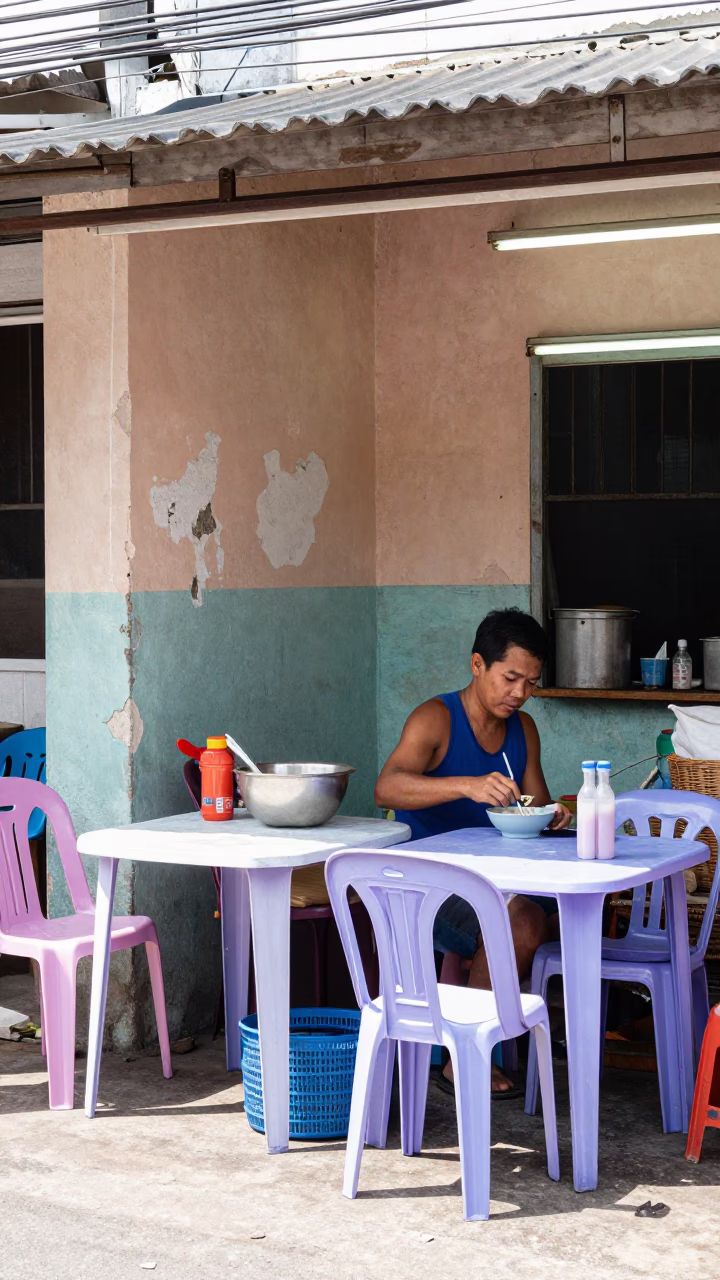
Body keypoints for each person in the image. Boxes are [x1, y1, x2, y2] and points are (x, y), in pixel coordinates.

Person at [375, 607, 571, 1096]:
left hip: (498, 876)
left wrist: (555, 814)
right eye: (510, 678)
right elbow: (388, 788)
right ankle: (461, 1054)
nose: (520, 693)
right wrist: (466, 786)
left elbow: (534, 802)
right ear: (477, 664)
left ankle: (529, 1037)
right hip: (430, 883)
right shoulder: (436, 718)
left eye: (531, 683)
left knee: (574, 916)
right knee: (523, 921)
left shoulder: (522, 730)